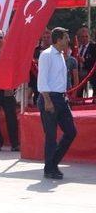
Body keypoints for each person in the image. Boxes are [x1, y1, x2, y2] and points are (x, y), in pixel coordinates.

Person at [37, 27, 77, 180]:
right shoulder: (46, 55)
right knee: (51, 136)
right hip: (50, 99)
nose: (68, 40)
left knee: (71, 132)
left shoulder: (61, 54)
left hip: (61, 98)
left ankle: (52, 163)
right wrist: (47, 101)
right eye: (66, 37)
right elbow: (42, 80)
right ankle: (49, 169)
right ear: (58, 39)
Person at [75, 27, 96, 97]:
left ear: (89, 37)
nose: (84, 39)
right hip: (77, 70)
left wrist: (84, 61)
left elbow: (93, 60)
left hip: (90, 71)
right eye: (82, 37)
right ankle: (77, 97)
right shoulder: (76, 47)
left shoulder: (93, 47)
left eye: (86, 36)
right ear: (79, 38)